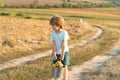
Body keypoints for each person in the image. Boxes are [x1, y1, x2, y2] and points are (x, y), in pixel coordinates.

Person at [50, 15, 70, 80]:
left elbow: (64, 44)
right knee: (56, 67)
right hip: (56, 52)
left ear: (60, 25)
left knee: (64, 67)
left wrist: (62, 54)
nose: (53, 27)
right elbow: (53, 44)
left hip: (64, 52)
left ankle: (65, 78)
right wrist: (54, 53)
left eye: (55, 25)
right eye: (52, 25)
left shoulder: (64, 33)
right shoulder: (53, 33)